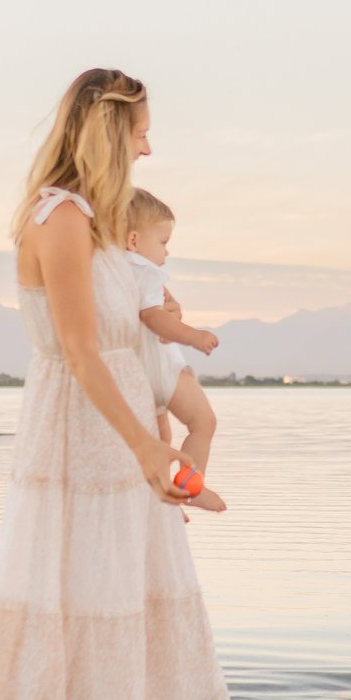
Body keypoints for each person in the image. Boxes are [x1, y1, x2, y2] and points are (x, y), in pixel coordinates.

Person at [0, 68, 231, 700]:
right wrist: (147, 446)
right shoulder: (60, 218)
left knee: (146, 584)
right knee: (76, 594)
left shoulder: (106, 226)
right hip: (81, 429)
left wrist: (165, 418)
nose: (148, 146)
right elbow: (79, 350)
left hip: (127, 417)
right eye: (140, 132)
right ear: (111, 133)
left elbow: (129, 339)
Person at [123, 188, 226, 510]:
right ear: (134, 241)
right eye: (163, 243)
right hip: (161, 370)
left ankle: (164, 500)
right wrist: (192, 336)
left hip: (133, 375)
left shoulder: (111, 270)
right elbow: (153, 317)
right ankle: (192, 487)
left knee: (160, 442)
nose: (166, 253)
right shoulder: (144, 271)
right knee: (203, 423)